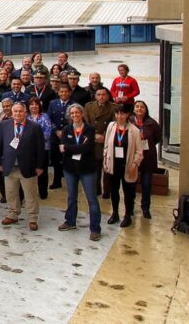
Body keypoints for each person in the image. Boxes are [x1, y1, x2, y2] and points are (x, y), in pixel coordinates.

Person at [0, 103, 46, 231]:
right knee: (11, 193)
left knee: (30, 195)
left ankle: (32, 218)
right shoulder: (4, 125)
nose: (18, 113)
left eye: (20, 111)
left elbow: (40, 148)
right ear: (12, 112)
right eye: (15, 111)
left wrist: (40, 166)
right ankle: (13, 214)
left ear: (25, 113)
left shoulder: (34, 127)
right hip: (9, 166)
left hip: (28, 166)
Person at [59, 104, 102, 240]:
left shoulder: (89, 129)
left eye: (77, 112)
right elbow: (62, 147)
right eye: (72, 113)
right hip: (70, 168)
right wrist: (78, 146)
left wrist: (68, 147)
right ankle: (70, 221)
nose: (75, 115)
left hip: (87, 169)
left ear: (82, 114)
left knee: (91, 198)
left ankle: (95, 229)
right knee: (72, 196)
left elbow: (87, 148)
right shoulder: (66, 129)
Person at [104, 104, 143, 228]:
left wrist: (134, 165)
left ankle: (127, 216)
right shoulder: (111, 126)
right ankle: (115, 213)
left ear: (127, 115)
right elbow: (106, 145)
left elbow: (139, 152)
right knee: (114, 190)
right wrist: (105, 160)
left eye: (122, 113)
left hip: (127, 166)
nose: (119, 116)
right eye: (117, 113)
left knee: (128, 192)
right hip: (113, 164)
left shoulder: (134, 130)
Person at [131, 100, 162, 220]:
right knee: (131, 184)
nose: (139, 109)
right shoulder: (129, 121)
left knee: (146, 184)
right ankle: (130, 206)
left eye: (142, 107)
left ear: (146, 109)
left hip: (147, 158)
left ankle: (145, 208)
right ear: (133, 109)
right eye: (137, 106)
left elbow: (157, 138)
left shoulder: (152, 123)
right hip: (133, 158)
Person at [84, 87, 118, 198]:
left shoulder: (113, 108)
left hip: (107, 140)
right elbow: (86, 123)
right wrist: (93, 135)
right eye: (98, 95)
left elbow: (114, 124)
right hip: (94, 140)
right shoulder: (89, 107)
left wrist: (104, 135)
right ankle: (96, 189)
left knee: (107, 167)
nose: (101, 97)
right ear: (95, 96)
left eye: (103, 95)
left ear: (108, 96)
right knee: (96, 167)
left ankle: (107, 190)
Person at [26, 97, 53, 200]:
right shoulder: (26, 117)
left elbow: (48, 132)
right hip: (29, 150)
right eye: (31, 104)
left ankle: (43, 193)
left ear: (39, 106)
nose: (34, 106)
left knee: (42, 171)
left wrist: (35, 140)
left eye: (36, 104)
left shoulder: (44, 116)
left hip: (43, 148)